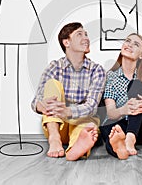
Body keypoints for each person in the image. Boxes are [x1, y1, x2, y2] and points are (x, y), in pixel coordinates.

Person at [31, 22, 106, 161]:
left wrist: (68, 112)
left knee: (88, 125)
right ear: (67, 42)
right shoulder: (54, 67)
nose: (86, 38)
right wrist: (41, 105)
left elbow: (92, 106)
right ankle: (54, 139)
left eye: (86, 34)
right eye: (79, 34)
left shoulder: (97, 70)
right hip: (57, 124)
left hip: (81, 121)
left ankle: (75, 149)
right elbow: (36, 101)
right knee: (52, 84)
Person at [99, 33, 142, 160]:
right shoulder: (110, 76)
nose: (129, 45)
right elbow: (111, 113)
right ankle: (119, 148)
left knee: (136, 84)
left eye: (136, 44)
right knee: (111, 129)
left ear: (141, 55)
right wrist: (124, 110)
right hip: (119, 122)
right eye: (127, 41)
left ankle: (130, 138)